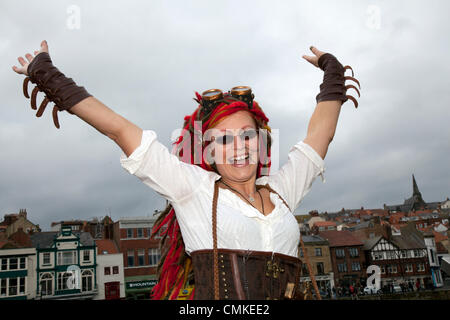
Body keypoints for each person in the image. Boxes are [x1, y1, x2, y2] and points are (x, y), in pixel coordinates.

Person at [12, 41, 360, 300]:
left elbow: (321, 134)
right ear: (207, 149)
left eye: (247, 135)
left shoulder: (284, 189)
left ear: (262, 140)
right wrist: (49, 77)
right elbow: (118, 128)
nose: (238, 147)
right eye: (223, 140)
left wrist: (332, 70)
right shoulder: (193, 188)